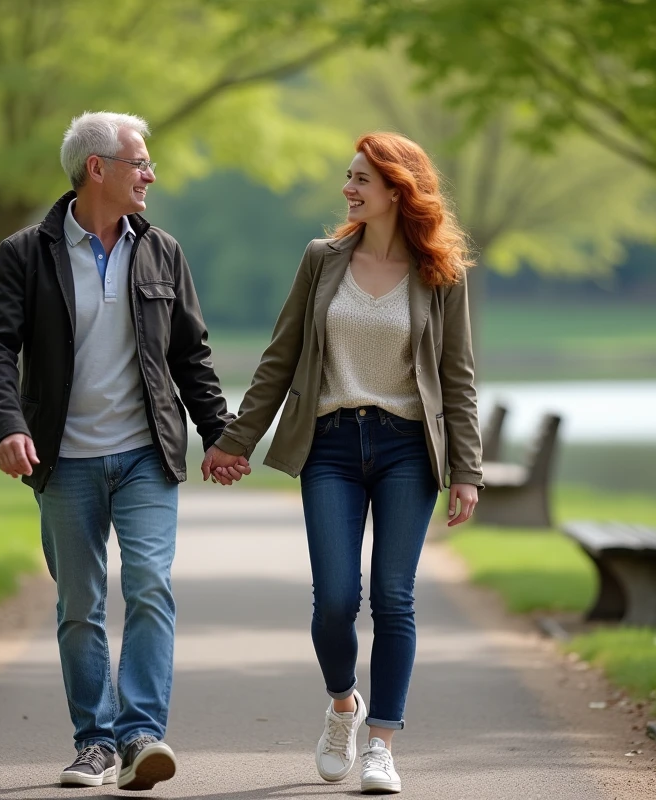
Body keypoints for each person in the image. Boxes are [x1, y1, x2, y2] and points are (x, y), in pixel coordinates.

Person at [0, 111, 248, 792]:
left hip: (145, 456)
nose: (150, 175)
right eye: (141, 163)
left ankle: (141, 736)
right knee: (79, 603)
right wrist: (8, 424)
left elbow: (191, 356)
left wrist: (220, 435)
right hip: (62, 462)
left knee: (151, 586)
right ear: (98, 168)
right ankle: (93, 742)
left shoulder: (162, 250)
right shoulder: (25, 253)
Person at [202, 132, 483, 794]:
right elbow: (281, 356)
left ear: (396, 189)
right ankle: (342, 708)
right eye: (348, 176)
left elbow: (458, 378)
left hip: (406, 448)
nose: (348, 188)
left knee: (394, 596)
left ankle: (382, 743)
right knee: (334, 599)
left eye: (361, 179)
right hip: (328, 442)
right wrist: (235, 439)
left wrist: (467, 469)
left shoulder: (439, 274)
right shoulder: (321, 259)